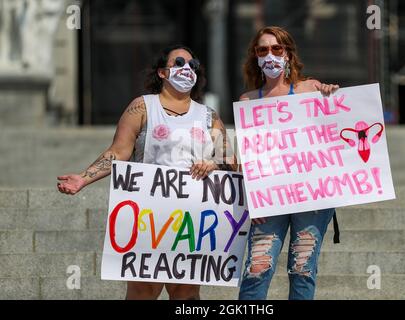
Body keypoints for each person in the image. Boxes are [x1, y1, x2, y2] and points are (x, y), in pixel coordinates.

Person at [57, 45, 236, 300]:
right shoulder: (142, 108)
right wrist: (83, 178)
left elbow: (229, 158)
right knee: (143, 289)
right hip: (149, 217)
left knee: (186, 292)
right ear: (162, 72)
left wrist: (215, 164)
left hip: (192, 219)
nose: (187, 69)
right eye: (179, 62)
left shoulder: (208, 116)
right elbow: (118, 152)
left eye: (193, 65)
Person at [237, 26, 340, 300]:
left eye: (276, 48)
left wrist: (331, 95)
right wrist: (252, 197)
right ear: (255, 57)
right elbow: (247, 155)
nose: (270, 55)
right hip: (269, 198)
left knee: (302, 270)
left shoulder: (310, 89)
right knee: (256, 270)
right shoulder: (248, 100)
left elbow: (336, 131)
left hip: (312, 197)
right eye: (263, 50)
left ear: (288, 54)